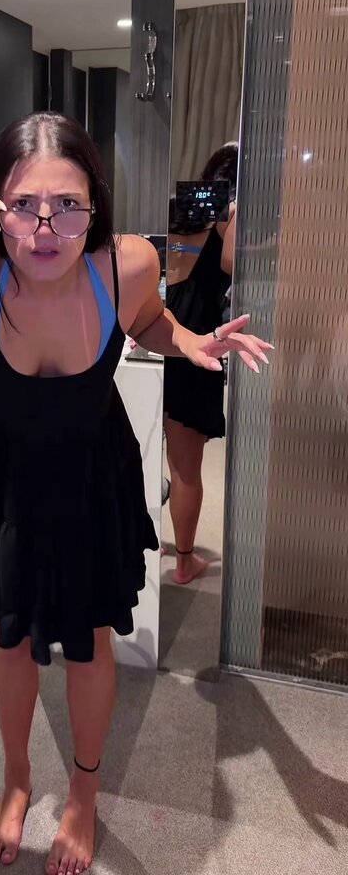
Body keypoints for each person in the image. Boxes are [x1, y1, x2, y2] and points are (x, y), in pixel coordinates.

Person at [0, 115, 270, 874]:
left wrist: (187, 341)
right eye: (24, 205)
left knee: (90, 638)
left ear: (95, 206)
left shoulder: (126, 265)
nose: (46, 229)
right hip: (5, 475)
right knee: (9, 634)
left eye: (67, 205)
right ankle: (15, 779)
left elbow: (151, 319)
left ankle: (84, 793)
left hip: (90, 474)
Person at [163, 143, 240, 585]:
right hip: (197, 338)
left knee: (166, 451)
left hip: (165, 323)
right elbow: (230, 260)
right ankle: (185, 561)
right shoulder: (231, 210)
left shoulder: (188, 204)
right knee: (186, 467)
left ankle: (167, 545)